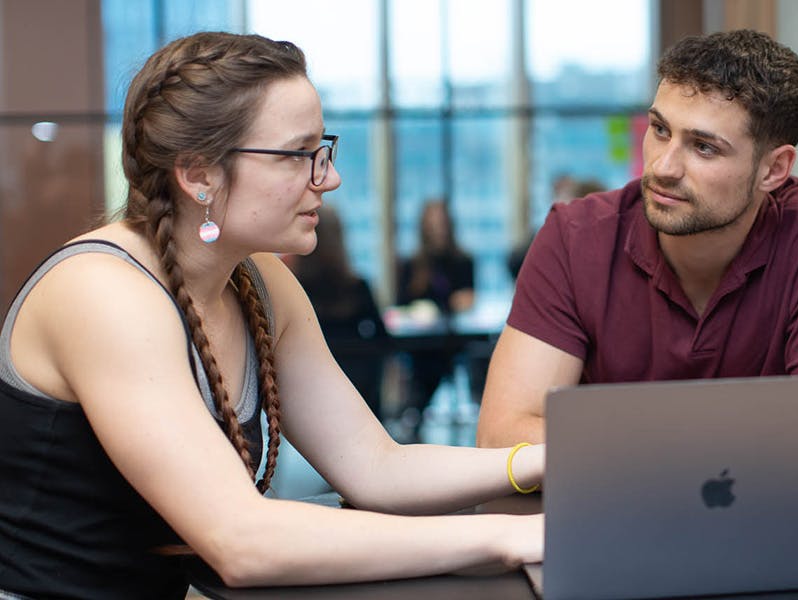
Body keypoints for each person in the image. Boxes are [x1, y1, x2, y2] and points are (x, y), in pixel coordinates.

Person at [0, 32, 541, 599]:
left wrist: (536, 464)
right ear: (198, 175)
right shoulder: (103, 292)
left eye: (321, 150)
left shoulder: (259, 280)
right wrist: (512, 536)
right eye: (296, 155)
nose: (328, 178)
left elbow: (377, 466)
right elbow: (241, 541)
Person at [477, 29, 798, 448]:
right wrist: (704, 450)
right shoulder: (576, 238)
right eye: (659, 129)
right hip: (630, 498)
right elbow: (501, 436)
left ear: (774, 169)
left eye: (704, 147)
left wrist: (626, 448)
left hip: (702, 495)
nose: (663, 167)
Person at [290, 204, 387, 416]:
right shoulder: (357, 286)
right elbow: (382, 337)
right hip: (359, 382)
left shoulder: (293, 287)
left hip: (312, 382)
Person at [394, 199, 477, 438]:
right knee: (427, 362)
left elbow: (468, 299)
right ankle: (413, 413)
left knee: (466, 355)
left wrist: (461, 302)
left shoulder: (462, 261)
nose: (438, 229)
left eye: (442, 223)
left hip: (453, 339)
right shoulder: (412, 265)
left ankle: (413, 413)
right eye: (433, 223)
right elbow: (401, 304)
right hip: (421, 342)